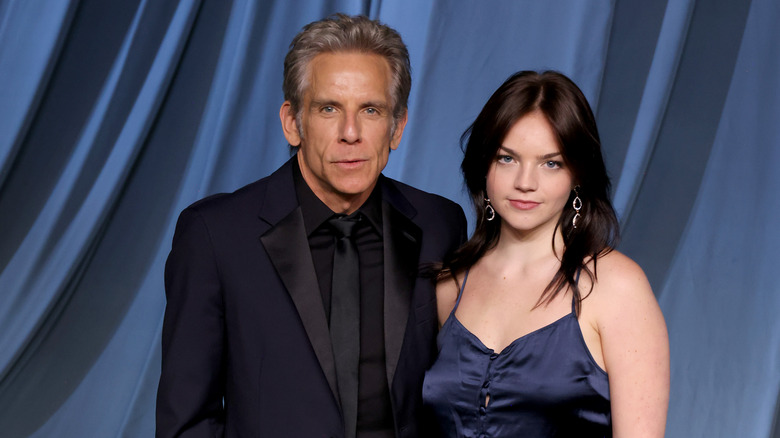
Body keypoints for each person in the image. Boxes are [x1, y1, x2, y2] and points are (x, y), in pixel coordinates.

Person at [156, 14, 466, 438]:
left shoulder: (440, 225)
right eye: (328, 109)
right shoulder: (215, 235)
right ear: (292, 122)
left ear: (396, 127)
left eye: (371, 110)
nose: (351, 133)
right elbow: (187, 422)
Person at [422, 71, 669, 437]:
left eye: (551, 163)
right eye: (507, 158)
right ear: (483, 165)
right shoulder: (449, 286)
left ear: (577, 176)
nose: (525, 182)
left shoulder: (617, 288)